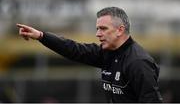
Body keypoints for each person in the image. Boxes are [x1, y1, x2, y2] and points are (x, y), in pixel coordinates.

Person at [16, 7, 163, 102]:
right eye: (97, 28)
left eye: (103, 29)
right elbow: (73, 49)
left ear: (120, 30)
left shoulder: (138, 62)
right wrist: (41, 36)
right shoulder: (106, 53)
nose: (97, 34)